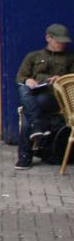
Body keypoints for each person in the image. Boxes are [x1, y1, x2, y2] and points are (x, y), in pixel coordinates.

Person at [14, 23, 74, 170]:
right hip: (34, 94)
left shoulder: (70, 58)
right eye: (58, 40)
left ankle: (24, 157)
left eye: (64, 41)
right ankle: (36, 125)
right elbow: (20, 77)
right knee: (24, 89)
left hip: (55, 97)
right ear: (48, 38)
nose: (62, 44)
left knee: (29, 110)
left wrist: (60, 79)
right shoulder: (33, 56)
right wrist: (28, 80)